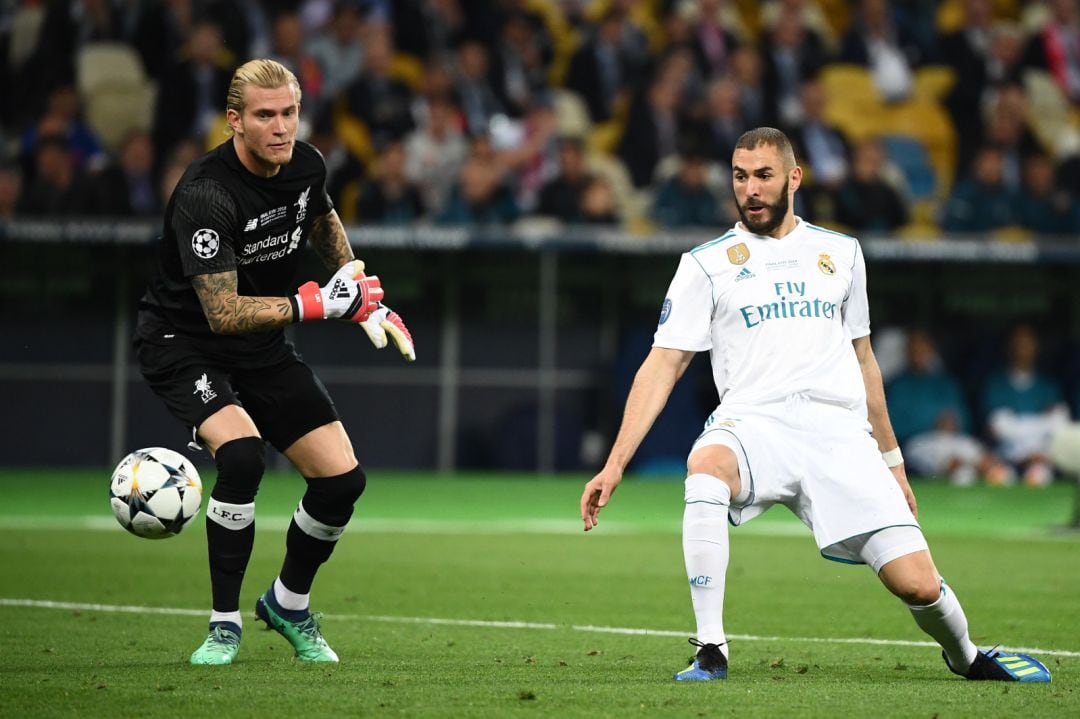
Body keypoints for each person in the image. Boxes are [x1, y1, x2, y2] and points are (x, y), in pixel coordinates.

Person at [579, 127, 1052, 684]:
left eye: (763, 175)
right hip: (754, 423)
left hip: (838, 433)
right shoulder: (704, 264)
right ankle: (711, 648)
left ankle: (967, 655)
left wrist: (894, 463)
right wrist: (615, 464)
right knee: (705, 467)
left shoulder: (842, 253)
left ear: (793, 177)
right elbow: (664, 365)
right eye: (739, 176)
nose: (750, 189)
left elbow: (866, 362)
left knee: (918, 584)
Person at [134, 59, 415, 666]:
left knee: (344, 481)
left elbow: (320, 217)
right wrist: (317, 303)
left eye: (289, 112)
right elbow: (222, 313)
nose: (281, 127)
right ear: (235, 121)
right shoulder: (205, 194)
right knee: (241, 455)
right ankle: (223, 624)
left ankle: (287, 603)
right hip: (184, 343)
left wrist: (358, 291)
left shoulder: (306, 163)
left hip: (260, 349)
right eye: (265, 116)